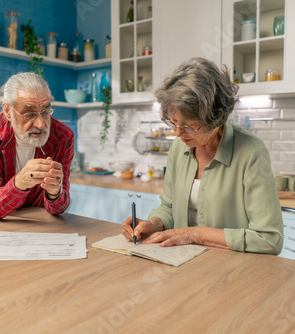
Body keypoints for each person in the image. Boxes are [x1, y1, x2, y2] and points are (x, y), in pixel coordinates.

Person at [121, 58, 283, 254]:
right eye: (173, 123)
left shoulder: (251, 152)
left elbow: (268, 239)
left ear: (215, 118)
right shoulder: (178, 148)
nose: (179, 133)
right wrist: (154, 223)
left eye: (188, 125)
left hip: (232, 269)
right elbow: (170, 207)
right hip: (182, 261)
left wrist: (193, 234)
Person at [0, 72, 74, 220]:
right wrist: (19, 183)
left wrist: (54, 192)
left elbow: (58, 208)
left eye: (45, 112)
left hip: (35, 219)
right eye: (29, 114)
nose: (41, 124)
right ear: (7, 111)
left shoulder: (63, 136)